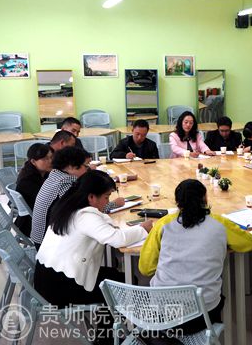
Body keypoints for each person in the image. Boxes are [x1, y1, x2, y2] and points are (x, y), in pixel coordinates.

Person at [34, 170, 151, 344]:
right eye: (106, 197)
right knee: (121, 285)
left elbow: (106, 228)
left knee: (114, 276)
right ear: (91, 197)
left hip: (47, 278)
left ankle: (108, 335)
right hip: (60, 287)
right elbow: (117, 239)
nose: (108, 202)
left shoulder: (68, 207)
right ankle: (106, 340)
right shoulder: (85, 216)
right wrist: (143, 229)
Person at [138, 179, 252, 343]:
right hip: (202, 316)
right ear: (205, 199)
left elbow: (145, 268)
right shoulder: (219, 223)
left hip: (163, 316)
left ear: (177, 202)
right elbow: (249, 243)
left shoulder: (163, 224)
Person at [31, 147, 124, 248]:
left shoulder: (55, 176)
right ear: (71, 166)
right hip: (47, 242)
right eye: (85, 166)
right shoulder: (65, 183)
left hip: (46, 236)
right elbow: (85, 210)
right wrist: (114, 204)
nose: (88, 169)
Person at [14, 143, 53, 236]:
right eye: (45, 159)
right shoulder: (27, 181)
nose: (50, 161)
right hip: (33, 225)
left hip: (41, 217)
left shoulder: (42, 173)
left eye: (51, 157)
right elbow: (48, 201)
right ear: (33, 161)